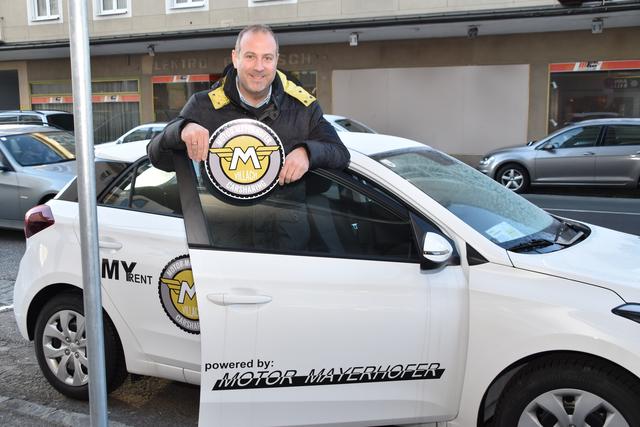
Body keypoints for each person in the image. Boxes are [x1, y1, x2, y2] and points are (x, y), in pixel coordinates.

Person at [147, 24, 350, 185]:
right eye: (250, 56)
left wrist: (307, 152)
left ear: (276, 60)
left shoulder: (302, 107)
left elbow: (341, 154)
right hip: (219, 231)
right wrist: (182, 129)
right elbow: (157, 156)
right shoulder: (204, 105)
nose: (259, 67)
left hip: (287, 231)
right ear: (236, 58)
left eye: (267, 58)